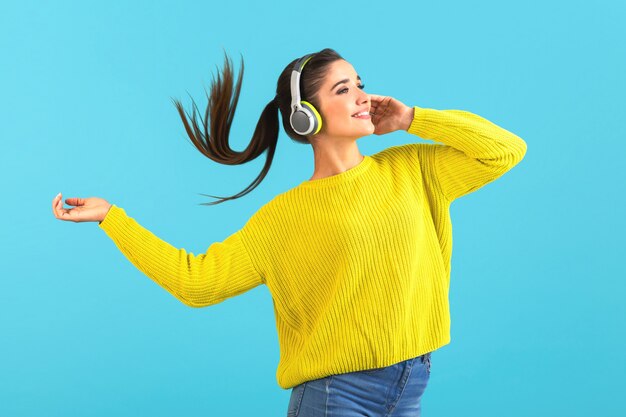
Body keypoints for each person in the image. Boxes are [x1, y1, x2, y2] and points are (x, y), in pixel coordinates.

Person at [51, 48, 527, 416]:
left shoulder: (413, 169)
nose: (363, 95)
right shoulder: (282, 218)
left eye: (360, 84)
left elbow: (506, 150)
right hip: (334, 396)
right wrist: (113, 218)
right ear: (306, 117)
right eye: (343, 90)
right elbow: (196, 282)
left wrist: (411, 119)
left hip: (410, 384)